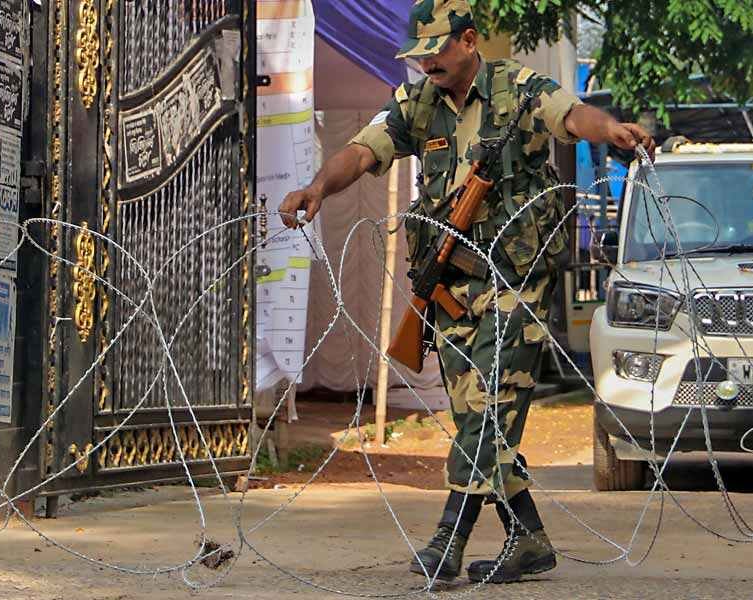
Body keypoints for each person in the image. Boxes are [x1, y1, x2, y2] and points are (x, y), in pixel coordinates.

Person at [279, 0, 655, 585]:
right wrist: (317, 188)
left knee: (488, 410)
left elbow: (574, 115)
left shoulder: (519, 89)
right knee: (481, 418)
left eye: (436, 51)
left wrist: (614, 131)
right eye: (419, 55)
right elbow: (362, 150)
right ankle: (527, 539)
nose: (426, 63)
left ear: (471, 41)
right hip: (450, 287)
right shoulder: (417, 104)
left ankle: (448, 538)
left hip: (514, 280)